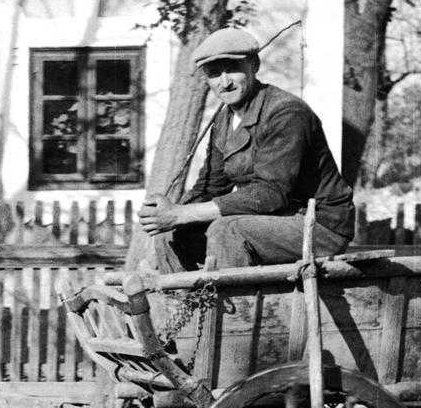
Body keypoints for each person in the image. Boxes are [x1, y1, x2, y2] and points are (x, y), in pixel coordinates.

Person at [137, 25, 355, 272]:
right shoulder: (223, 121)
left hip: (318, 225)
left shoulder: (287, 112)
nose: (225, 82)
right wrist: (169, 213)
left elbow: (272, 193)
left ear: (254, 65)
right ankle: (182, 306)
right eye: (214, 74)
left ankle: (235, 311)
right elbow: (211, 187)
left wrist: (181, 213)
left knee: (228, 230)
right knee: (171, 235)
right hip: (269, 221)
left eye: (232, 70)